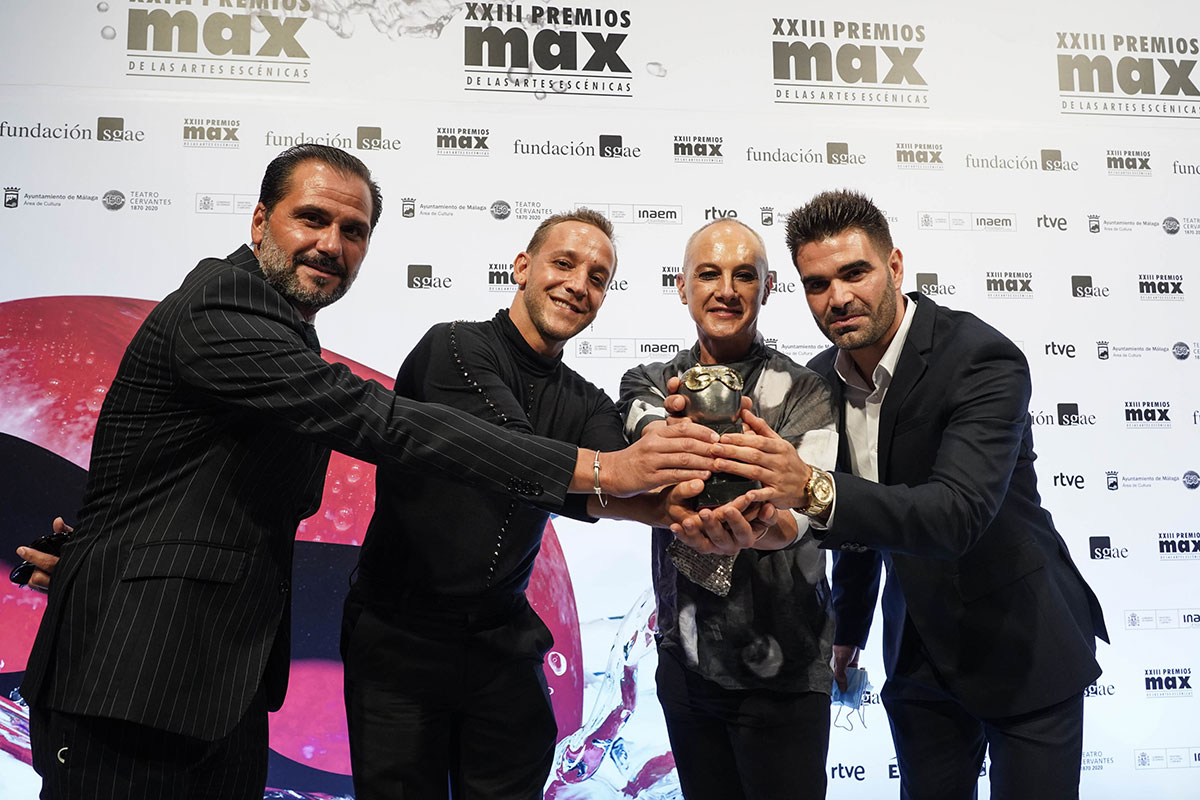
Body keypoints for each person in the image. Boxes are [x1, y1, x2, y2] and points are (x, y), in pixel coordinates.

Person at [18, 146, 718, 800]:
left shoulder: (287, 325)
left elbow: (186, 479)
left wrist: (681, 501)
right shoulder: (227, 307)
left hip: (217, 678)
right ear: (260, 221)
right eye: (312, 219)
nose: (332, 244)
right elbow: (389, 425)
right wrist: (607, 470)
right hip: (144, 676)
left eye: (353, 231)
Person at [701, 189, 1109, 800]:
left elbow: (956, 515)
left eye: (854, 273)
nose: (838, 298)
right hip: (917, 648)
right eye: (817, 284)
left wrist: (808, 485)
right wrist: (850, 627)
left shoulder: (980, 359)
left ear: (894, 267)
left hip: (1022, 640)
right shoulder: (823, 378)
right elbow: (860, 519)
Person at [340, 209, 730, 800]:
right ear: (523, 268)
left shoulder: (584, 400)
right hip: (400, 640)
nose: (578, 284)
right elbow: (509, 453)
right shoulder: (453, 346)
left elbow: (624, 481)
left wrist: (689, 453)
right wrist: (620, 472)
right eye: (564, 263)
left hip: (502, 642)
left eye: (597, 277)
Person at [617, 219, 838, 800]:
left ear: (767, 288)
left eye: (744, 275)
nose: (726, 290)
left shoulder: (807, 390)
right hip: (688, 663)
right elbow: (658, 469)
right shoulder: (648, 384)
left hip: (788, 665)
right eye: (708, 273)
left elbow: (800, 518)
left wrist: (759, 528)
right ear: (682, 286)